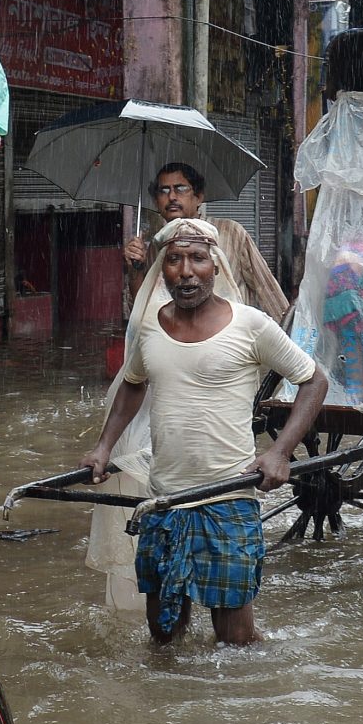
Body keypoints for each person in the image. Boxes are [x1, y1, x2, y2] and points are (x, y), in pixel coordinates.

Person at [82, 218, 328, 644]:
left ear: (216, 266)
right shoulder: (151, 326)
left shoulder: (250, 325)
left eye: (197, 258)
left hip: (228, 499)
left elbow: (313, 381)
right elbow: (133, 385)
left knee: (235, 639)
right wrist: (103, 448)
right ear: (162, 269)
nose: (186, 271)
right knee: (163, 636)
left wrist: (280, 452)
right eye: (174, 260)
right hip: (163, 501)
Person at [122, 162, 290, 321]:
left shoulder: (231, 232)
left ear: (199, 197)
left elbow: (267, 289)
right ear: (156, 202)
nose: (172, 196)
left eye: (180, 189)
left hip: (232, 336)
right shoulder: (158, 245)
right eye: (163, 191)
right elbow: (143, 312)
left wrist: (292, 333)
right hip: (178, 338)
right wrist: (135, 270)